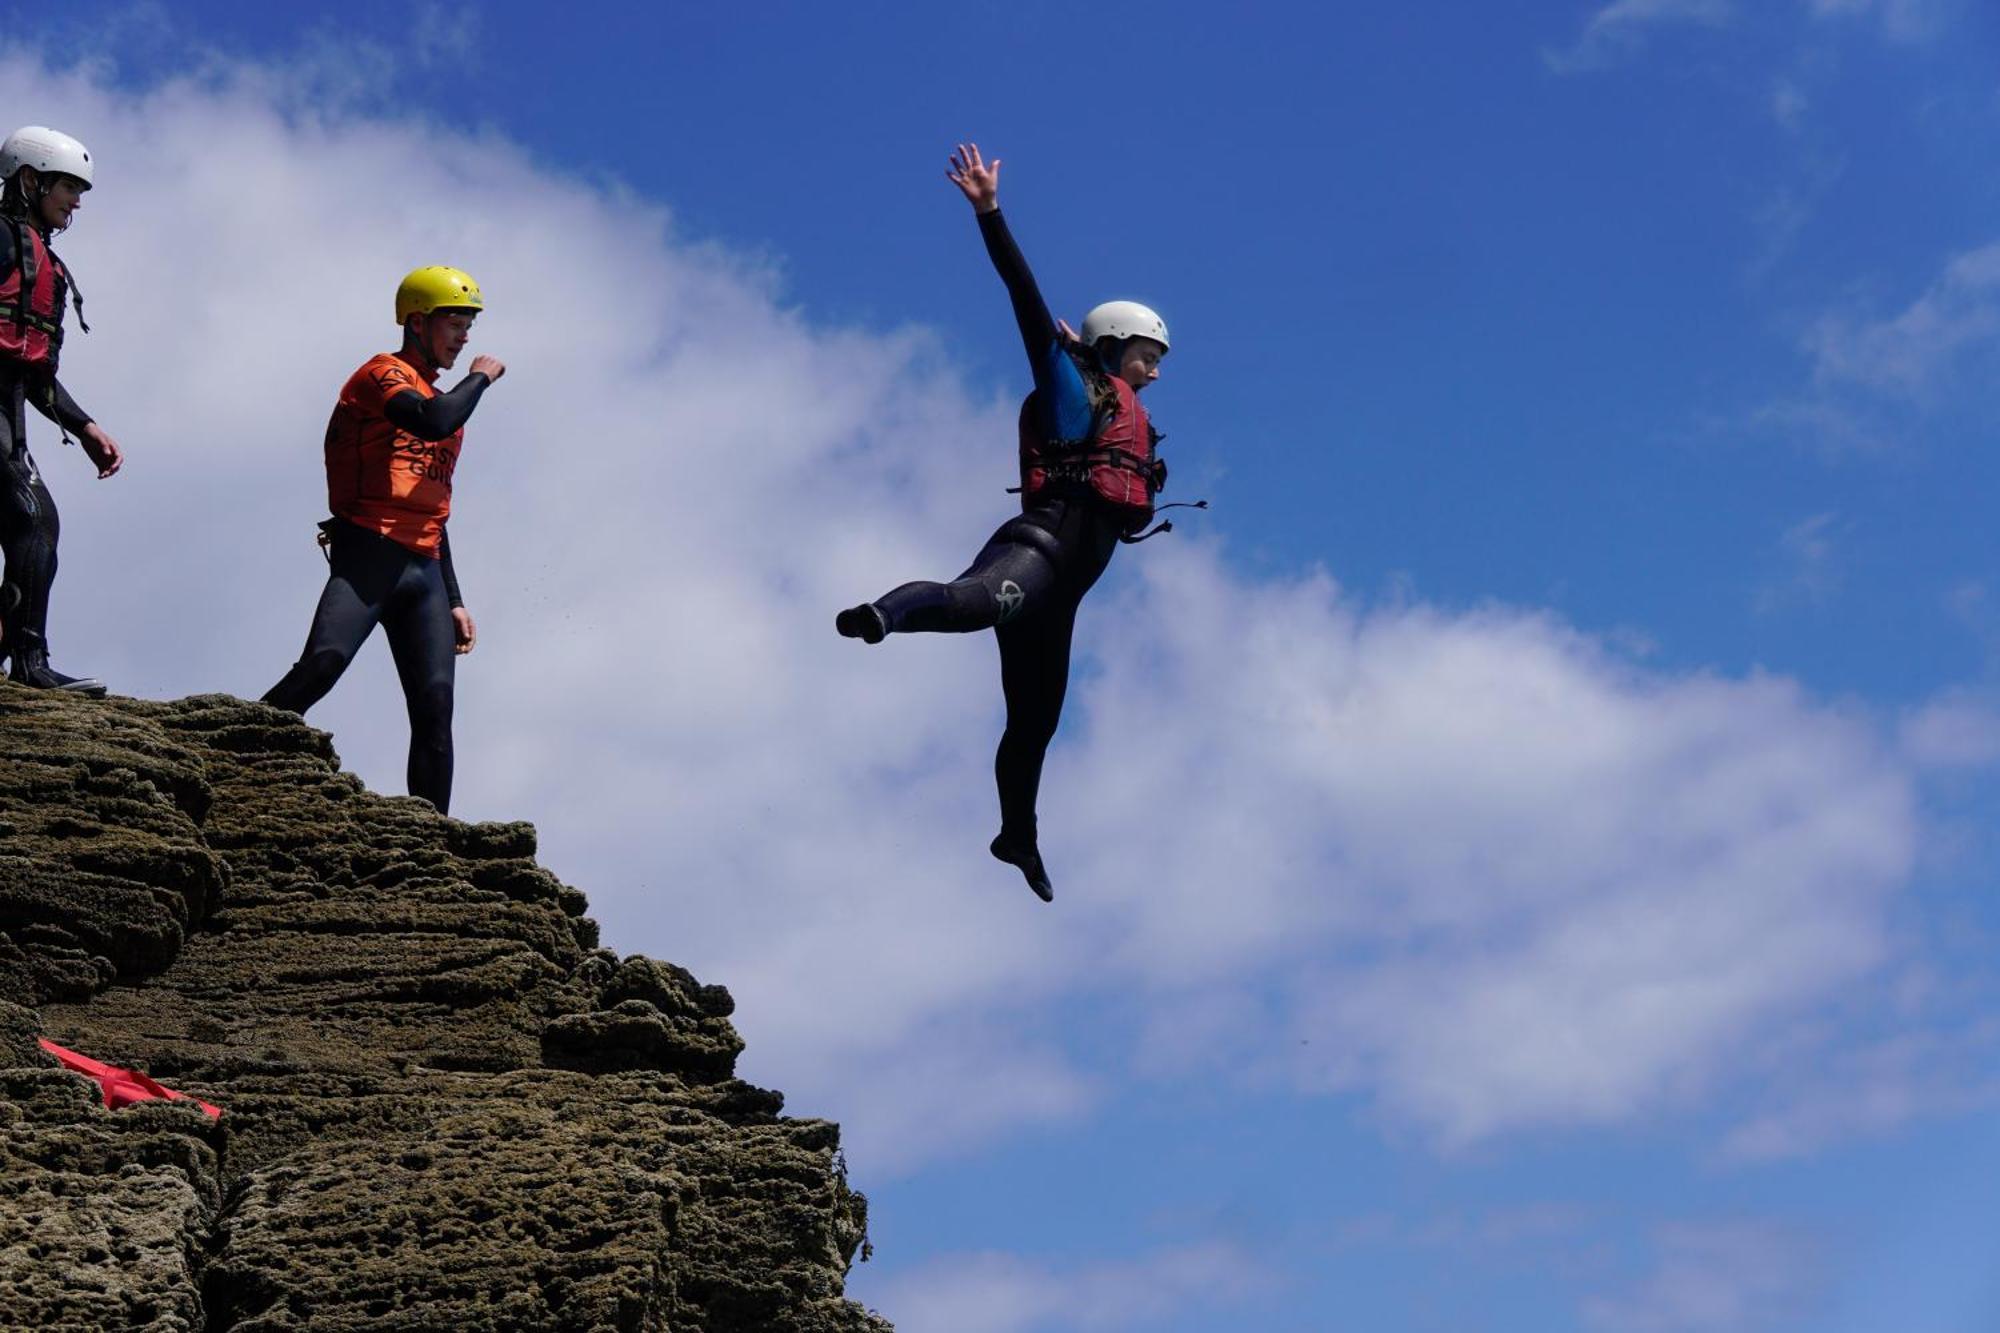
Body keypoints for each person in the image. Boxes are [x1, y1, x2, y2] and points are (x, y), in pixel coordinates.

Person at [837, 144, 1175, 903]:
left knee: (1034, 726)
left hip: (1064, 597)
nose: (1154, 372)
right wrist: (990, 212)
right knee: (973, 603)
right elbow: (1026, 300)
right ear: (1112, 347)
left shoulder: (1123, 406)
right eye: (1145, 356)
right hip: (1036, 551)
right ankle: (879, 616)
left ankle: (1016, 836)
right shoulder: (1072, 389)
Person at [261, 266, 505, 815]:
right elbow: (433, 420)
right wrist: (481, 377)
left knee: (435, 711)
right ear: (418, 322)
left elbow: (433, 510)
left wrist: (456, 599)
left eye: (470, 325)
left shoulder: (447, 402)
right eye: (455, 322)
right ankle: (223, 744)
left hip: (424, 570)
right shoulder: (380, 375)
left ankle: (432, 840)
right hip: (369, 552)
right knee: (323, 664)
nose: (465, 336)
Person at [0, 126, 123, 695]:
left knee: (32, 522)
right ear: (30, 179)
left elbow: (33, 370)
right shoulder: (1, 240)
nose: (76, 202)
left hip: (10, 411)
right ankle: (28, 666)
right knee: (31, 518)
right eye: (68, 188)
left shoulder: (37, 256)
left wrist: (86, 425)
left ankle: (22, 660)